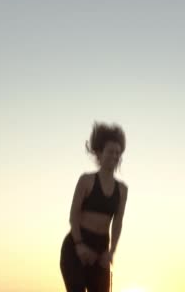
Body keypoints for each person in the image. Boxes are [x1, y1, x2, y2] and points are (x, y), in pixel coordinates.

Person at [60, 122, 129, 292]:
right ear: (99, 153)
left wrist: (111, 251)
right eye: (110, 151)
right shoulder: (87, 180)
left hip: (101, 250)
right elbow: (74, 214)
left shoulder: (122, 189)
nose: (114, 156)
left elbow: (118, 221)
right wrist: (79, 244)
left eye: (118, 153)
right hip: (77, 246)